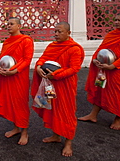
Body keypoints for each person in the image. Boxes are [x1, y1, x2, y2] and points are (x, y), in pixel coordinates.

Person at [78, 12, 120, 130]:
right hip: (105, 69)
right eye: (116, 20)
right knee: (100, 91)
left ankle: (118, 119)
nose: (117, 22)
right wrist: (95, 60)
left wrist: (113, 66)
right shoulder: (111, 35)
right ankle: (93, 115)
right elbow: (101, 49)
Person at [31, 22, 84, 157]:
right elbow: (43, 59)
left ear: (68, 33)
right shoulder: (52, 46)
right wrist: (38, 67)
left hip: (65, 85)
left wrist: (55, 75)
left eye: (60, 32)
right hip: (50, 84)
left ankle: (68, 142)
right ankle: (56, 135)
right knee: (52, 109)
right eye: (55, 31)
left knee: (67, 112)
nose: (56, 34)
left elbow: (74, 68)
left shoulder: (74, 49)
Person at [0, 17, 33, 145]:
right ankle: (16, 127)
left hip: (19, 77)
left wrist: (14, 71)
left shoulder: (26, 40)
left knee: (20, 104)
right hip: (6, 76)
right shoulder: (7, 42)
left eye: (11, 24)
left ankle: (24, 131)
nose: (8, 26)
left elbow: (27, 59)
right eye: (7, 24)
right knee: (10, 103)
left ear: (19, 26)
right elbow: (1, 58)